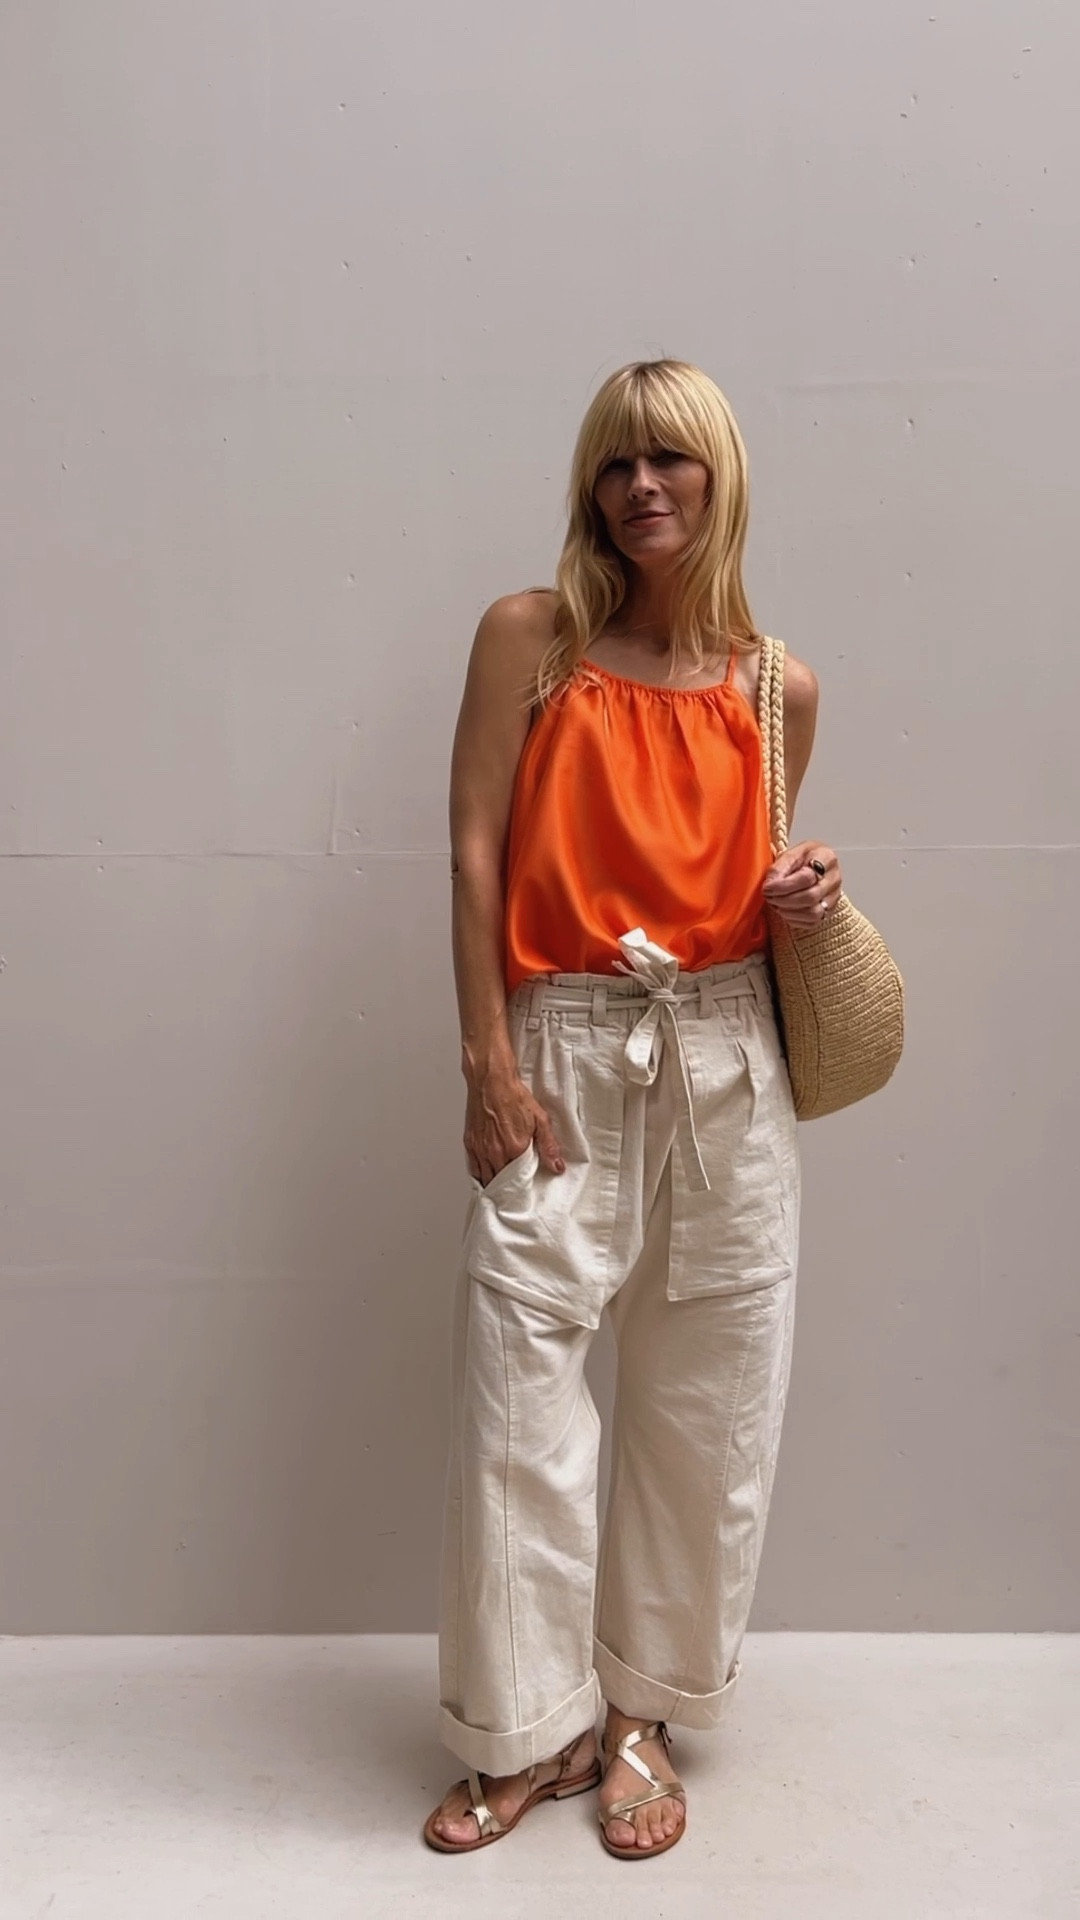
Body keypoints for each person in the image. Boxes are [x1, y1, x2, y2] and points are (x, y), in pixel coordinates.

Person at [423, 358, 842, 1861]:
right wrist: (488, 1060)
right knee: (517, 1397)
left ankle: (642, 1714)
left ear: (723, 477)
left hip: (728, 1052)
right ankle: (524, 1728)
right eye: (615, 463)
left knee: (704, 1401)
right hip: (565, 1038)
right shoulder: (529, 642)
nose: (641, 487)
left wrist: (802, 897)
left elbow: (747, 890)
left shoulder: (773, 683)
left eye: (673, 460)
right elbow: (476, 854)